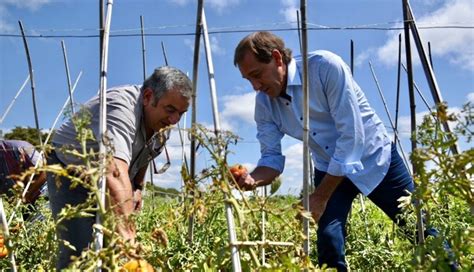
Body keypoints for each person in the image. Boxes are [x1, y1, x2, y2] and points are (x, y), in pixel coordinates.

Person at [233, 31, 455, 271]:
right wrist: (252, 179)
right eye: (248, 80)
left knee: (420, 230)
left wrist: (319, 196)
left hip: (375, 160)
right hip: (329, 168)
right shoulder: (265, 104)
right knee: (328, 241)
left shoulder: (324, 68)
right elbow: (271, 158)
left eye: (257, 75)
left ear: (277, 58)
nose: (255, 86)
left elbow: (351, 137)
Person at [47, 66, 192, 269]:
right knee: (79, 251)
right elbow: (113, 171)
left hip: (112, 173)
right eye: (170, 110)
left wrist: (138, 186)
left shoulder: (162, 126)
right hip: (71, 168)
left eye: (181, 113)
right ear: (148, 96)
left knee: (112, 250)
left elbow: (144, 155)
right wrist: (130, 244)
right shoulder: (121, 107)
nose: (175, 120)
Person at [0, 139, 46, 205]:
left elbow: (44, 172)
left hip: (44, 197)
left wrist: (26, 196)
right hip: (20, 207)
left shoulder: (19, 147)